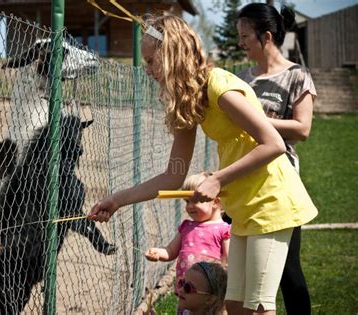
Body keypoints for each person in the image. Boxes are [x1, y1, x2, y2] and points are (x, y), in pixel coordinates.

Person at [88, 13, 317, 314]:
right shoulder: (190, 100)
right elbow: (173, 176)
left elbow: (273, 144)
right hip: (244, 206)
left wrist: (218, 179)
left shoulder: (219, 86)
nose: (146, 70)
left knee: (258, 306)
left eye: (150, 62)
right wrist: (118, 200)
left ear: (170, 57)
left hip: (270, 201)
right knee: (234, 306)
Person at [236, 4, 317, 314]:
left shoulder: (297, 75)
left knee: (288, 269)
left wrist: (255, 118)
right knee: (246, 270)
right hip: (243, 177)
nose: (241, 42)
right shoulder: (242, 78)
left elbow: (302, 128)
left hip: (280, 181)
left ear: (266, 36)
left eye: (245, 36)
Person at [144, 173, 230, 313]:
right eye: (187, 201)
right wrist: (158, 253)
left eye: (196, 200)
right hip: (186, 292)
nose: (190, 206)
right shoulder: (186, 227)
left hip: (208, 294)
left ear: (215, 201)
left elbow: (228, 263)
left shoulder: (223, 230)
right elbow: (171, 251)